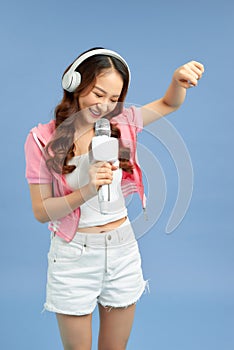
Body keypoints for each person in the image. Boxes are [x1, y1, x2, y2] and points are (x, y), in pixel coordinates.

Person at [24, 47, 204, 350]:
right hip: (73, 257)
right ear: (74, 84)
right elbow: (41, 212)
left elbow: (168, 103)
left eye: (114, 98)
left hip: (122, 251)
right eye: (98, 94)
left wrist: (178, 81)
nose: (104, 106)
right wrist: (86, 191)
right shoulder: (42, 139)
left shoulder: (123, 125)